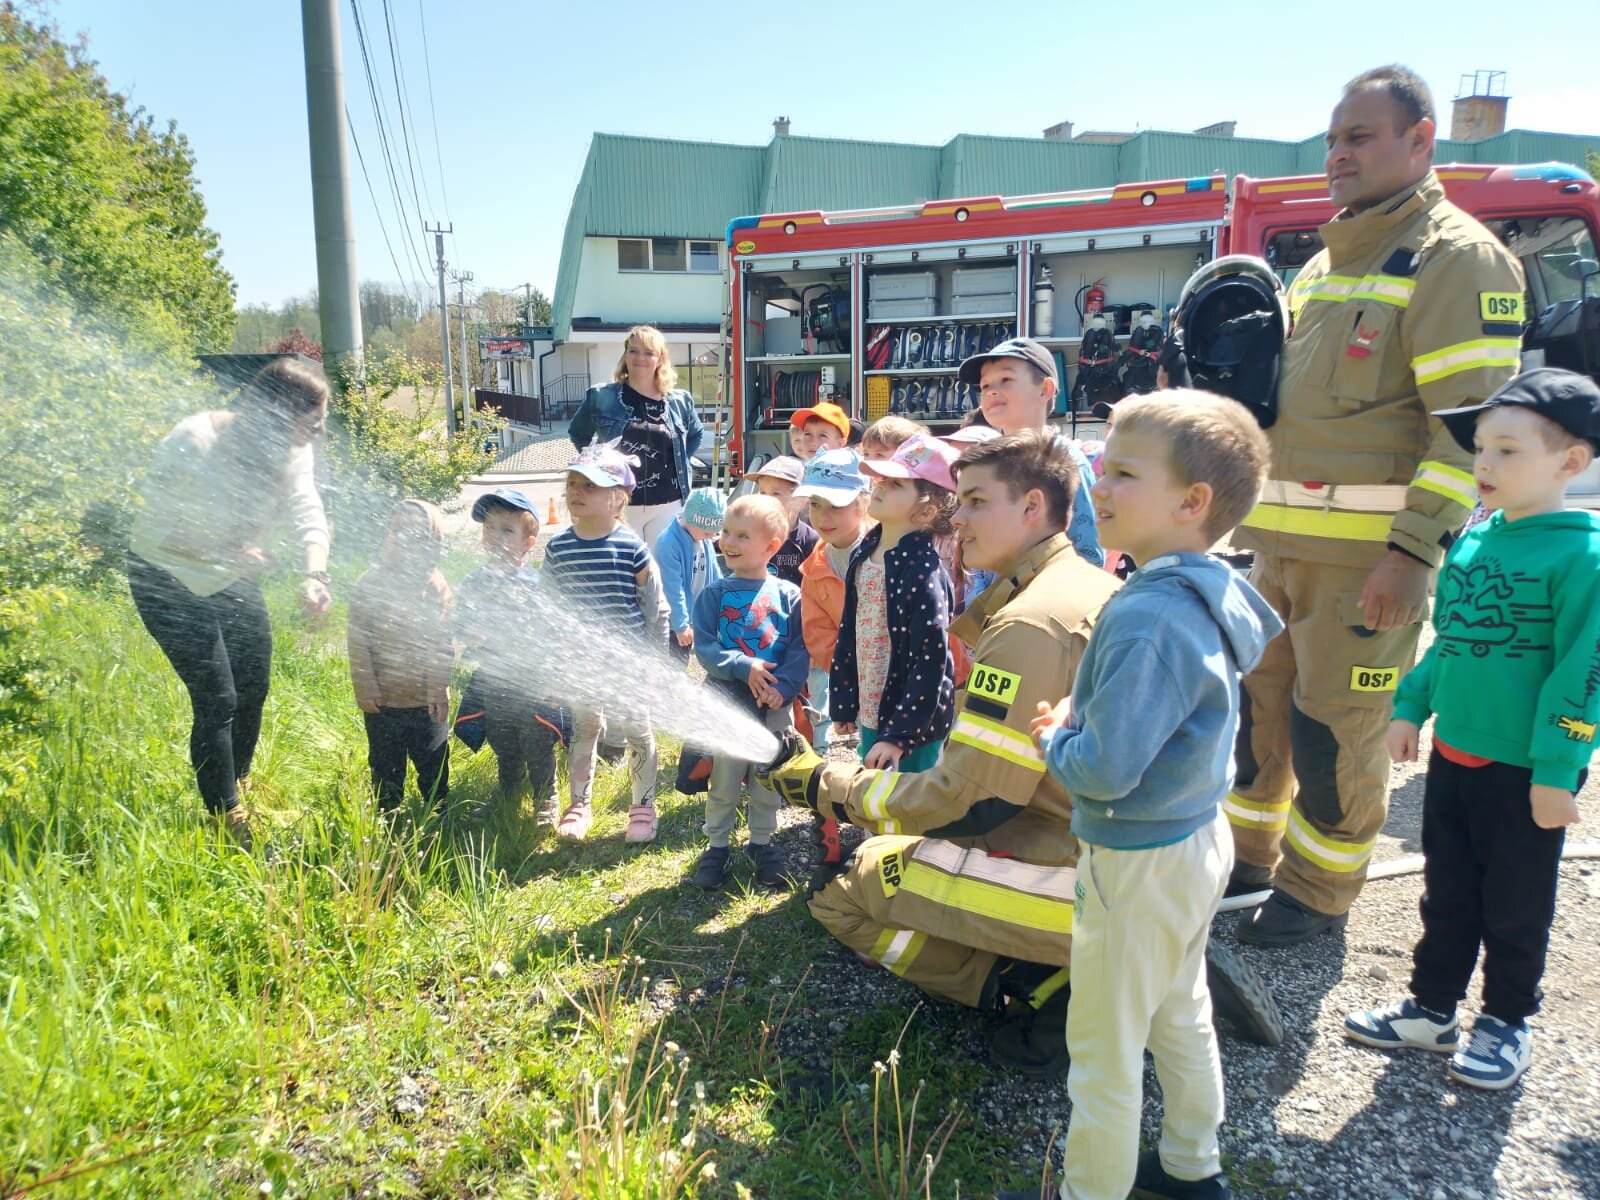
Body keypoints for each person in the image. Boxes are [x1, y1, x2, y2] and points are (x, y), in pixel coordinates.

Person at [1229, 65, 1527, 946]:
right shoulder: (1326, 264)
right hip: (1278, 549)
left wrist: (1413, 552)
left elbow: (1470, 433)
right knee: (1264, 715)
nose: (1337, 155)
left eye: (1359, 137)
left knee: (1335, 730)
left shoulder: (1459, 260)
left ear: (1421, 140)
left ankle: (1319, 894)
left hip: (1366, 565)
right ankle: (1251, 861)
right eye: (1332, 138)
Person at [758, 431, 1117, 1075]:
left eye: (976, 501)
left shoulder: (1030, 625)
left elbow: (967, 801)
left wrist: (823, 785)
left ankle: (1035, 992)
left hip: (1083, 884)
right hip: (1106, 855)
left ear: (1032, 507)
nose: (958, 516)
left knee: (843, 892)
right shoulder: (1080, 586)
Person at [1003, 393, 1280, 1200]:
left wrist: (1059, 738)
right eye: (1101, 465)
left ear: (1193, 502)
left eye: (1124, 472)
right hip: (1195, 843)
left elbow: (1103, 771)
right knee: (1177, 1010)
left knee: (1104, 1050)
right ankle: (1193, 1165)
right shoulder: (1204, 591)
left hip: (1136, 860)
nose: (1099, 484)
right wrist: (1088, 723)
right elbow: (1159, 726)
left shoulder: (1150, 613)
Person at [1343, 368, 1600, 1091]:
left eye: (1508, 451)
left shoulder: (1583, 557)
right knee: (1447, 890)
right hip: (1457, 758)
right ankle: (1432, 1008)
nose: (1483, 465)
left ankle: (1507, 1022)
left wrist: (1556, 769)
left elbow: (1585, 673)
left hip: (1524, 770)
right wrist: (1409, 707)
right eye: (1480, 449)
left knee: (1517, 906)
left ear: (1570, 463)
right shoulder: (1474, 542)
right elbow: (1447, 637)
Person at [127, 358, 333, 850]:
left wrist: (314, 573)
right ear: (278, 416)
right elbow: (155, 530)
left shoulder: (291, 448)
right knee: (218, 696)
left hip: (230, 573)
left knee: (253, 685)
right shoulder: (193, 441)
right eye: (313, 422)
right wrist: (231, 552)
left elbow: (307, 508)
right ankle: (226, 817)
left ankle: (235, 781)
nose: (321, 432)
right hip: (166, 575)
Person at [543, 443, 669, 843]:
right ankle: (579, 804)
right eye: (573, 483)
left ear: (618, 497)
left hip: (630, 663)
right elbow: (548, 610)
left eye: (590, 485)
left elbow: (656, 611)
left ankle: (644, 807)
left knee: (638, 730)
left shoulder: (632, 548)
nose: (577, 491)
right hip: (581, 663)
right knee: (585, 727)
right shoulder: (558, 548)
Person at [690, 495, 810, 890]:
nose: (729, 541)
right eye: (726, 532)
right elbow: (706, 649)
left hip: (773, 706)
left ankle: (762, 842)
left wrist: (786, 689)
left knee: (767, 779)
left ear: (771, 547)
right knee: (723, 781)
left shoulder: (788, 596)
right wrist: (745, 666)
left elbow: (799, 648)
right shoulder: (713, 595)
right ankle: (717, 845)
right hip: (728, 702)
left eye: (742, 535)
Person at [832, 434, 957, 773]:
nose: (880, 486)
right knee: (876, 796)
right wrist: (844, 703)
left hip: (912, 725)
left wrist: (899, 735)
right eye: (882, 479)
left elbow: (931, 661)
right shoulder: (866, 552)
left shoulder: (922, 571)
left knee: (910, 806)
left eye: (896, 483)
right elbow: (850, 632)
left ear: (927, 507)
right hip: (875, 709)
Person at [453, 488, 566, 825]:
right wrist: (468, 631)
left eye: (507, 530)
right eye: (490, 528)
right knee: (501, 737)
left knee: (536, 740)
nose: (496, 536)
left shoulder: (536, 585)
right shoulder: (475, 582)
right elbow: (460, 622)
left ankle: (546, 798)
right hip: (492, 678)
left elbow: (551, 632)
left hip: (531, 680)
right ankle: (508, 791)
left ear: (529, 541)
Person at [957, 337, 1105, 568]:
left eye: (1006, 380)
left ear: (1045, 389)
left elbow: (1088, 553)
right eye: (985, 385)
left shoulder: (1065, 461)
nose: (991, 392)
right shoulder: (987, 463)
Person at [348, 499, 453, 815]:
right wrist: (365, 688)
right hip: (383, 703)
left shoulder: (436, 587)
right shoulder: (369, 583)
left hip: (425, 702)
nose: (405, 539)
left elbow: (442, 642)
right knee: (385, 764)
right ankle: (387, 812)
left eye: (417, 534)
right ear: (387, 536)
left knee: (434, 760)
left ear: (433, 545)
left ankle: (438, 809)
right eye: (398, 531)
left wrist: (438, 689)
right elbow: (358, 641)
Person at [795, 448, 874, 872]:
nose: (823, 515)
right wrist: (850, 678)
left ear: (863, 502)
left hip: (901, 676)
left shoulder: (887, 550)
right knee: (871, 748)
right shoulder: (815, 568)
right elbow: (818, 633)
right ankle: (871, 838)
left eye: (836, 505)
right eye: (815, 504)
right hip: (860, 677)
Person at [568, 324, 704, 548]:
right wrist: (597, 464)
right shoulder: (601, 397)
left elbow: (695, 435)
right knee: (625, 572)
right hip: (620, 503)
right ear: (625, 355)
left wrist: (679, 462)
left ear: (660, 359)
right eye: (633, 350)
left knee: (662, 574)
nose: (639, 358)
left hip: (668, 503)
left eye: (648, 352)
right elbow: (578, 433)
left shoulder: (680, 401)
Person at [656, 487, 726, 657]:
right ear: (692, 519)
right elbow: (672, 589)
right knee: (675, 665)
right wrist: (680, 626)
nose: (711, 537)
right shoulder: (668, 543)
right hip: (677, 623)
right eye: (708, 532)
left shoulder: (701, 536)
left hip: (695, 616)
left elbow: (714, 573)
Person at [745, 456, 820, 586]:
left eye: (776, 494)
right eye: (763, 493)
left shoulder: (810, 540)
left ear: (801, 500)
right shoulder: (750, 534)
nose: (768, 500)